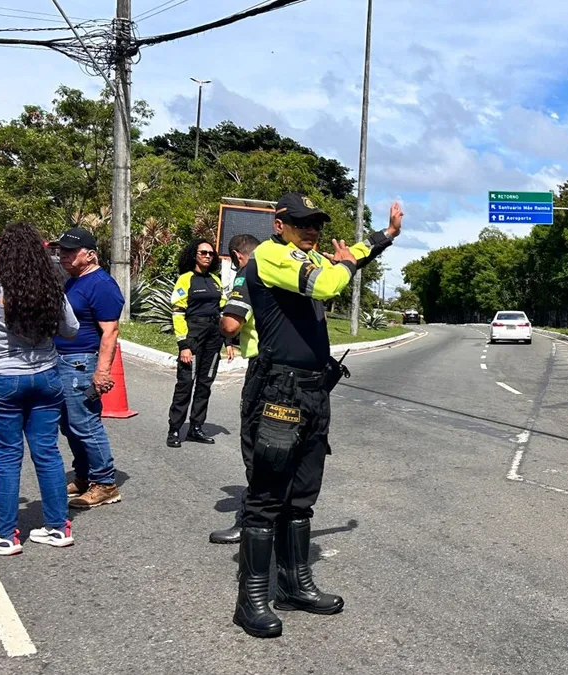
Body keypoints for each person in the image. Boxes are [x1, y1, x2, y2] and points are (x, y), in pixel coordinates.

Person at [232, 192, 401, 638]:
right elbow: (329, 282)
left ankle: (294, 584)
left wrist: (385, 237)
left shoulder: (307, 257)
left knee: (302, 494)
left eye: (317, 224)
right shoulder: (271, 257)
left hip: (312, 392)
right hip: (279, 391)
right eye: (302, 222)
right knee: (267, 494)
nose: (312, 230)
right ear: (279, 224)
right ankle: (252, 597)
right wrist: (343, 264)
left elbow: (348, 260)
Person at [0, 223, 80, 555]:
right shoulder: (51, 289)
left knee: (7, 457)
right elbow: (71, 330)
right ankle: (58, 527)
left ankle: (6, 534)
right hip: (45, 376)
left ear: (3, 255)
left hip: (1, 379)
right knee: (47, 452)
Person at [54, 227, 124, 509]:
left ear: (91, 255)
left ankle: (105, 483)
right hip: (62, 361)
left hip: (81, 363)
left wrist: (102, 372)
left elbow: (111, 331)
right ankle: (84, 476)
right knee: (69, 425)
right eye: (62, 251)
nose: (64, 256)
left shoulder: (101, 284)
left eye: (71, 252)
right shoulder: (73, 281)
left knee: (85, 423)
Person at [209, 233, 261, 545]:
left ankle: (252, 520)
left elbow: (231, 324)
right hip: (297, 371)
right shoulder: (286, 273)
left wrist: (221, 322)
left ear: (236, 257)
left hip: (262, 370)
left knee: (255, 447)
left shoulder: (248, 275)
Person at [166, 239, 226, 448]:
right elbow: (178, 312)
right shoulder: (185, 279)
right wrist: (184, 345)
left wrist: (228, 341)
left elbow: (223, 311)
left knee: (205, 384)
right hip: (193, 336)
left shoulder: (216, 281)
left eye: (211, 253)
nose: (208, 256)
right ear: (194, 255)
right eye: (203, 252)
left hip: (214, 337)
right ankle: (174, 429)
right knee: (186, 384)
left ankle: (196, 428)